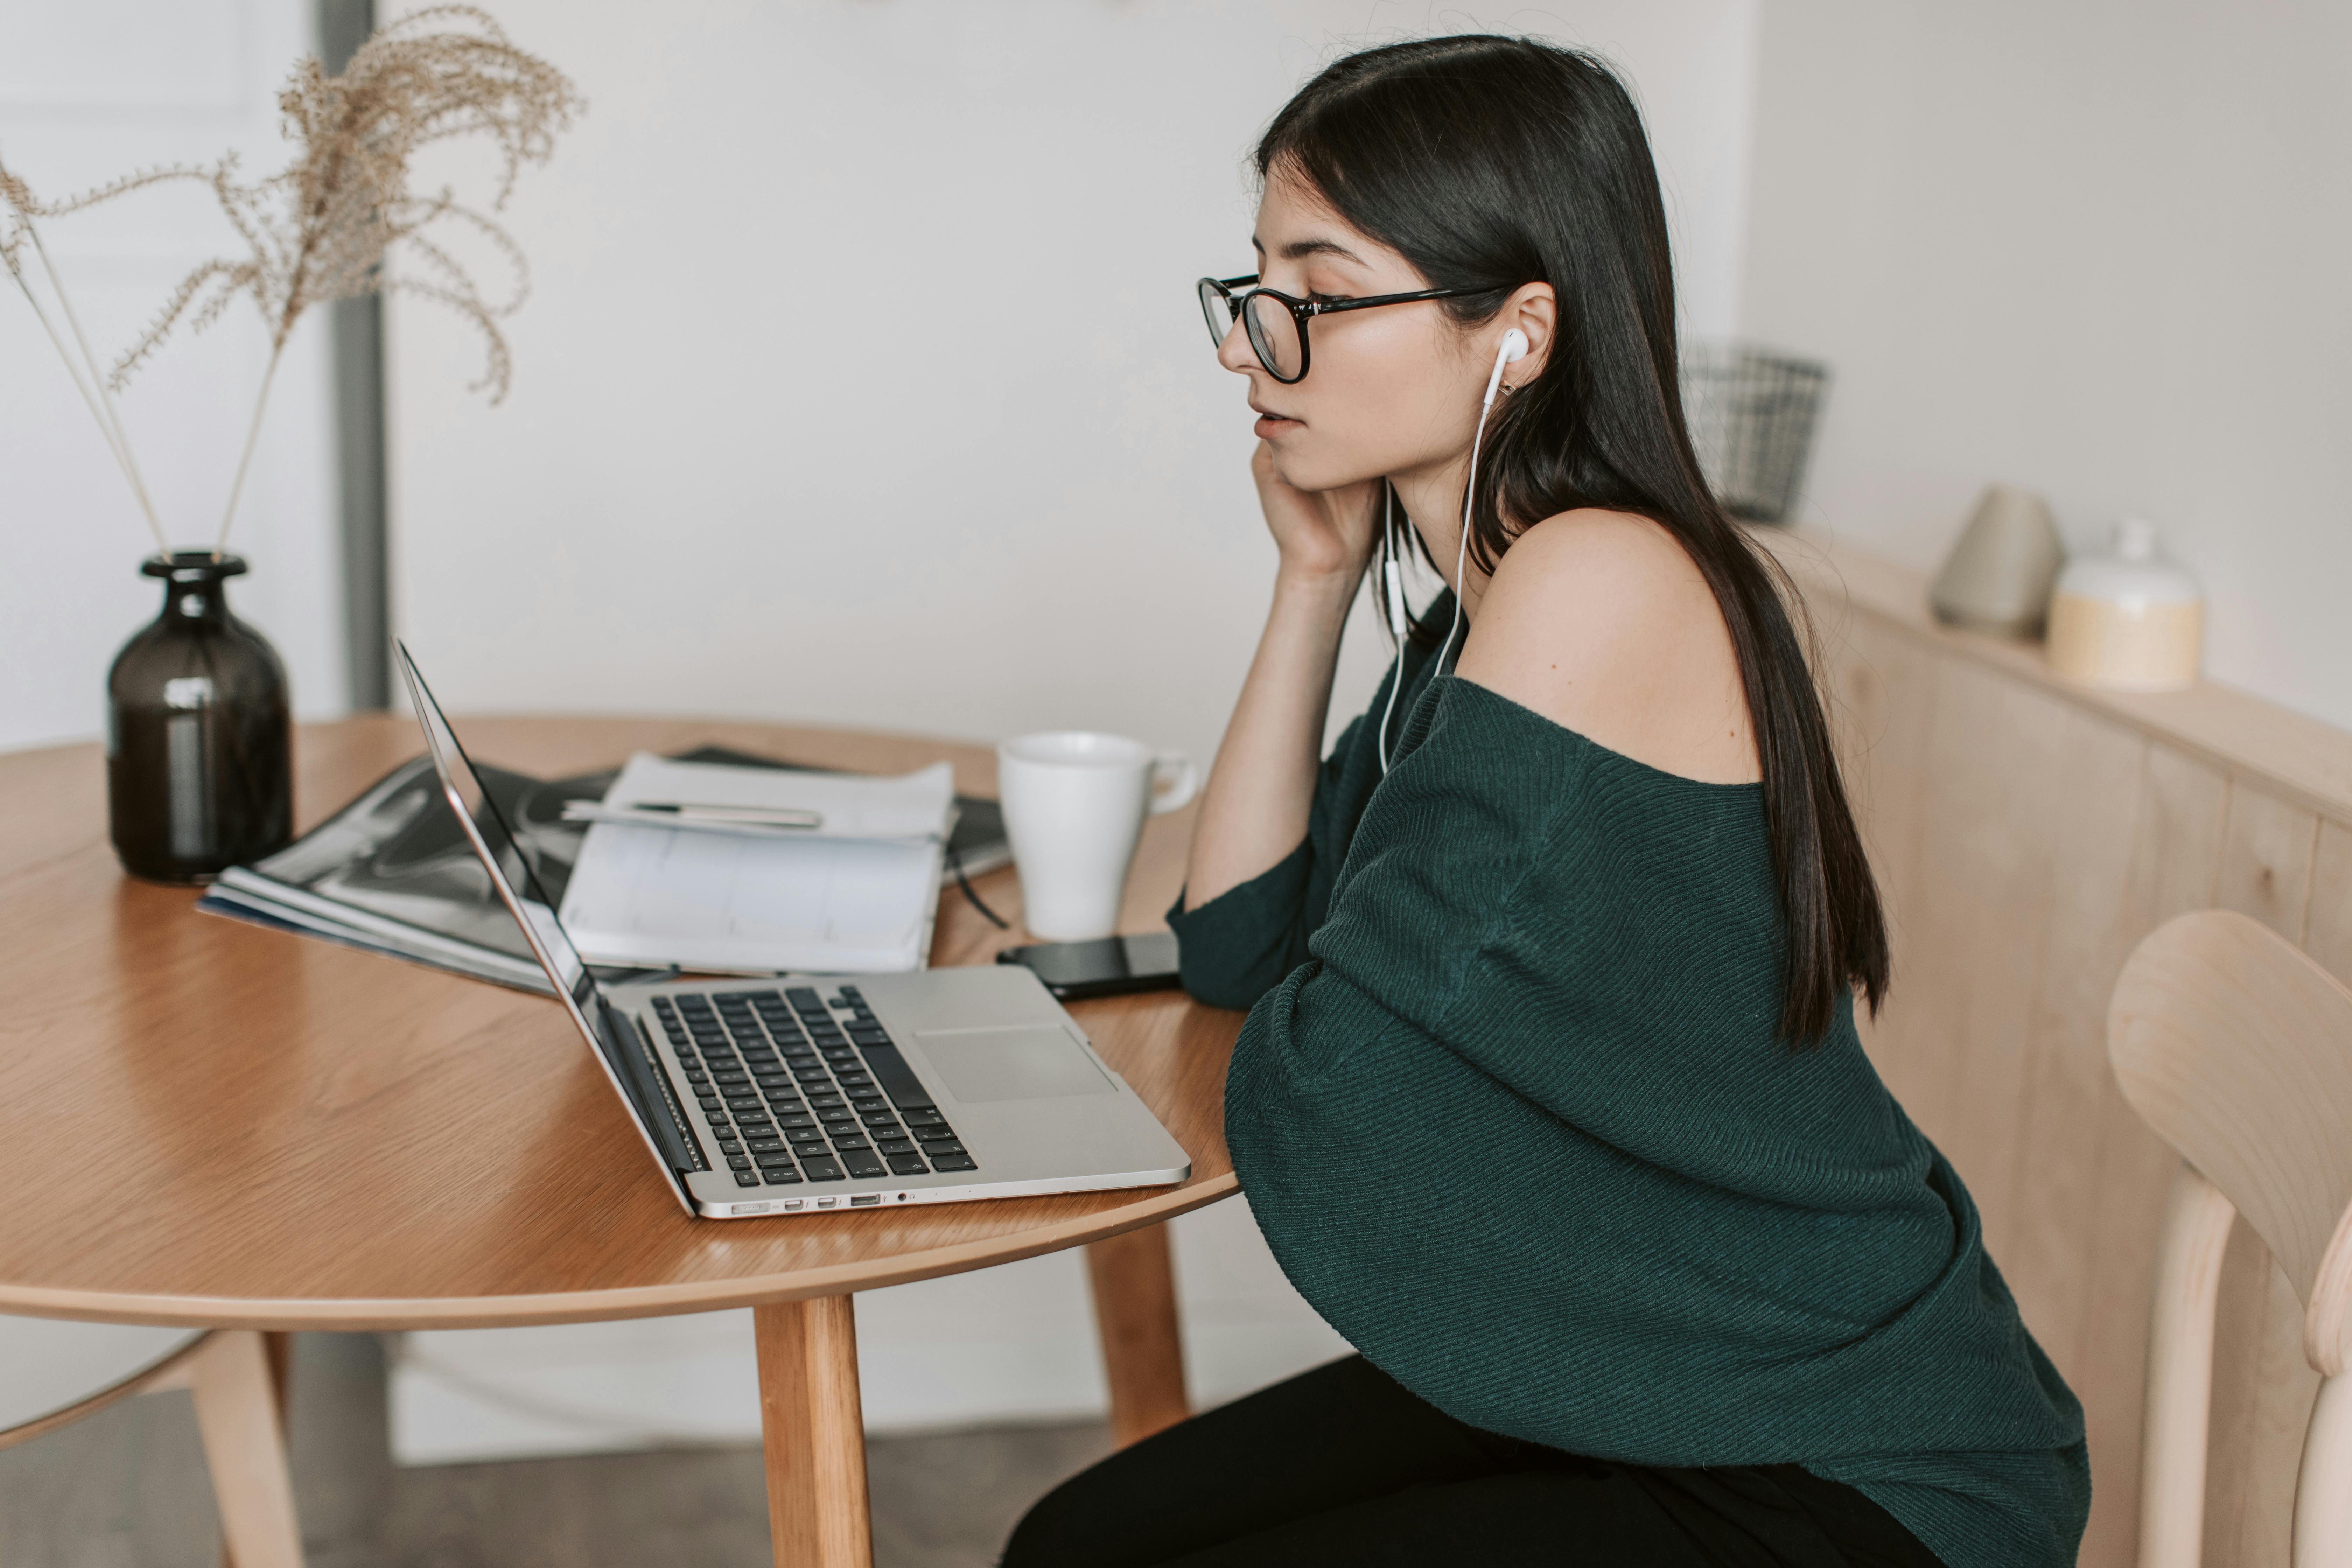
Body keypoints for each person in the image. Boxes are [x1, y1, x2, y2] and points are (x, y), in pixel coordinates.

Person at [1002, 34, 2088, 1568]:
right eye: (1254, 287)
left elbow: (1331, 1082)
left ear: (1519, 331)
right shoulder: (1482, 602)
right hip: (1670, 1375)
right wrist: (1313, 577)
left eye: (1317, 294)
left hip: (1846, 1458)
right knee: (1082, 1543)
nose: (1249, 347)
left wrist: (1325, 1002)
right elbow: (1244, 948)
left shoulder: (1598, 575)